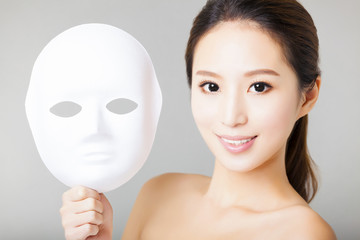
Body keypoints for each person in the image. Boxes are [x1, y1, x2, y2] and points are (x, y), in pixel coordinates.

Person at [60, 0, 337, 239]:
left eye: (259, 86)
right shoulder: (158, 195)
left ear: (308, 96)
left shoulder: (304, 233)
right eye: (212, 87)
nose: (231, 117)